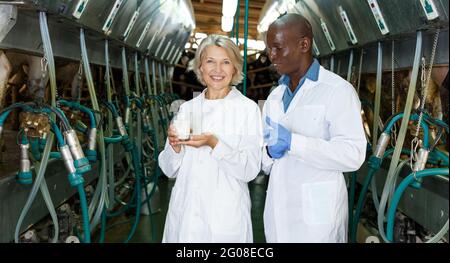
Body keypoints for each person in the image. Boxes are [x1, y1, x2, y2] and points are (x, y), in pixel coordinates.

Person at [261, 13, 367, 242]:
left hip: (318, 219)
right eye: (270, 48)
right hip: (279, 213)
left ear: (304, 44)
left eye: (278, 47)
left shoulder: (338, 90)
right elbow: (266, 163)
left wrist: (294, 142)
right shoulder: (274, 97)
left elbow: (353, 155)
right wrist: (268, 152)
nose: (272, 55)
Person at [158, 34, 263, 243]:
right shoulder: (188, 108)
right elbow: (169, 169)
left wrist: (214, 143)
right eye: (210, 62)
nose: (218, 70)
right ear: (200, 68)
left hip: (224, 219)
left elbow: (250, 169)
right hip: (186, 216)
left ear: (235, 69)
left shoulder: (247, 109)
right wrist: (175, 147)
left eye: (226, 62)